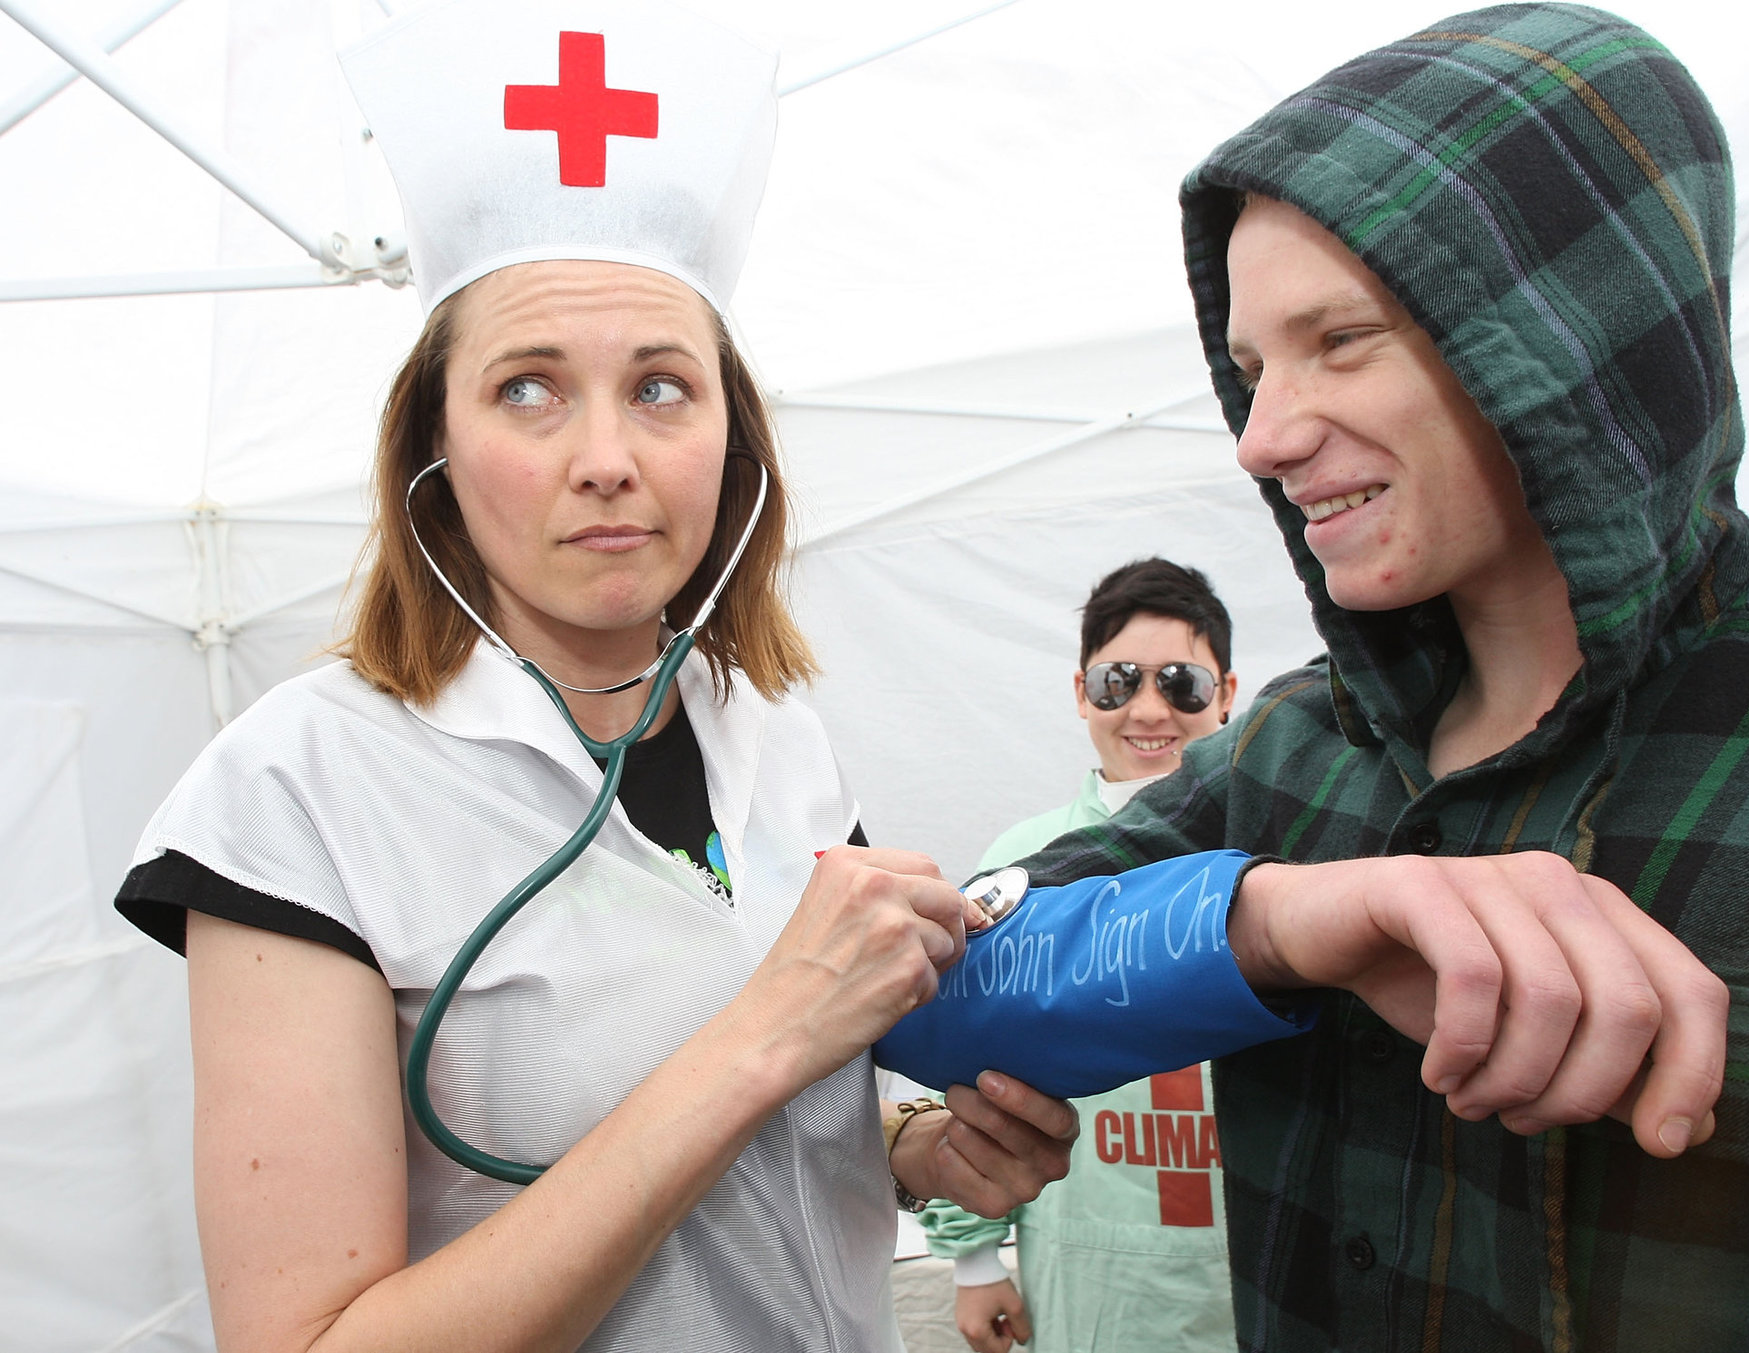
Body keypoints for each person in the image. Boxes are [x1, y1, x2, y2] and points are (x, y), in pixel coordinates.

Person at [906, 4, 1749, 1347]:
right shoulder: (1293, 748)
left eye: (1340, 340)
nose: (1261, 436)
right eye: (1250, 368)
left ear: (1567, 331)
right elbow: (935, 994)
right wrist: (1281, 921)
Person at [109, 5, 1075, 1350]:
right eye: (527, 388)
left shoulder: (777, 729)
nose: (606, 455)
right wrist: (766, 1039)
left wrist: (919, 1145)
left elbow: (812, 1102)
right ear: (429, 455)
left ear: (733, 444)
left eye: (664, 387)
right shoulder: (294, 797)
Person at [923, 557, 1240, 1353]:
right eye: (1118, 681)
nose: (1148, 708)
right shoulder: (1025, 863)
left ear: (1227, 696)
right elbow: (972, 1068)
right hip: (1088, 1271)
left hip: (1249, 1263)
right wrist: (972, 1261)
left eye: (1182, 684)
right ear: (1080, 692)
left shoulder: (1278, 854)